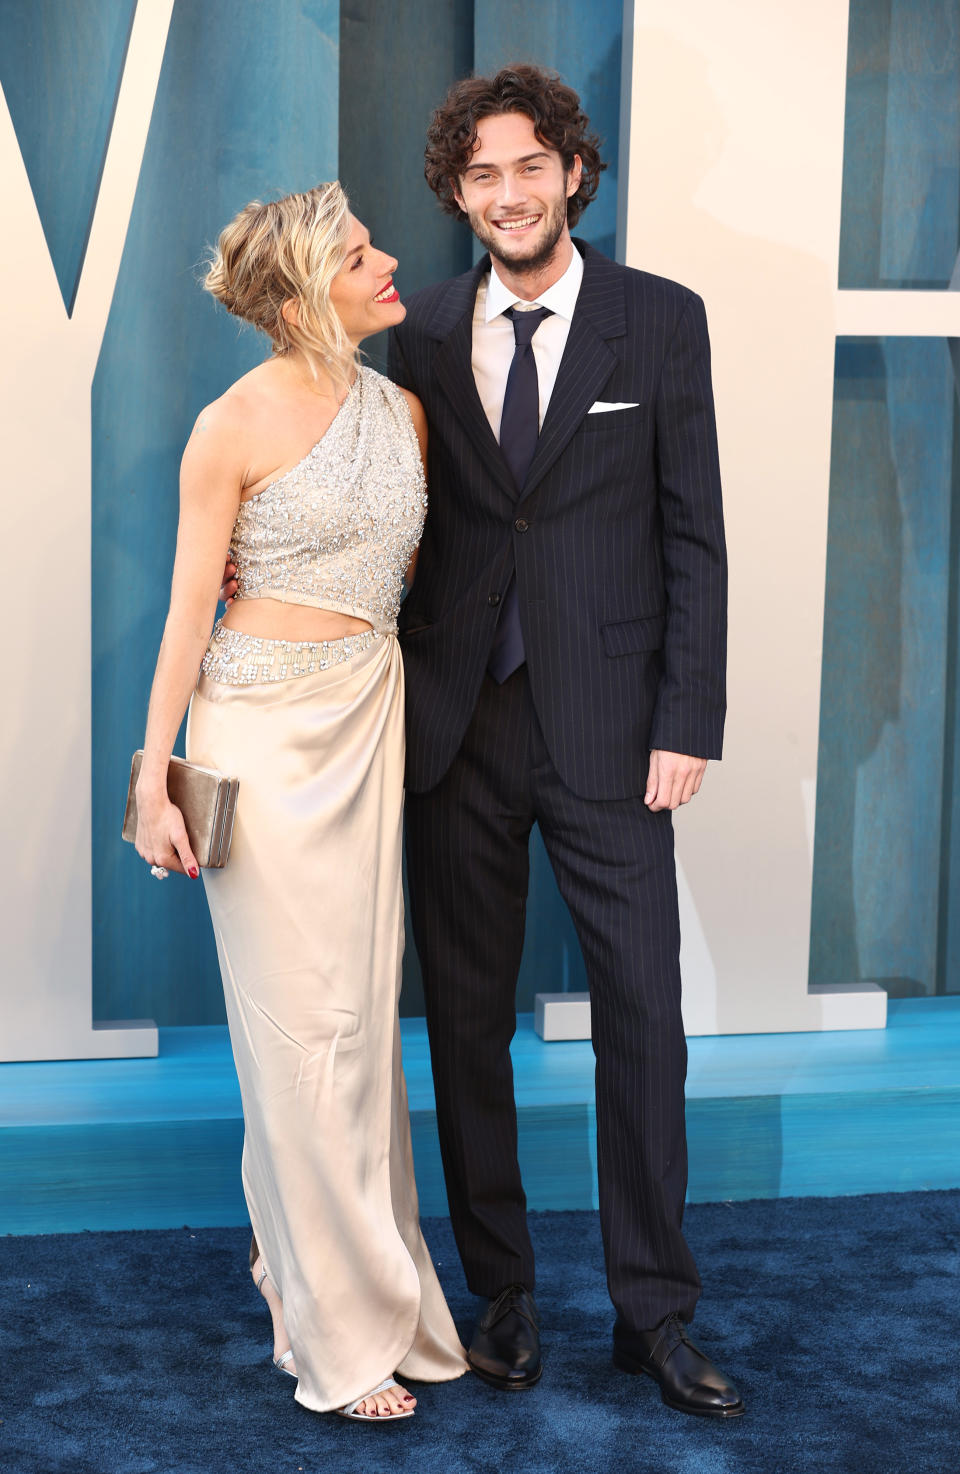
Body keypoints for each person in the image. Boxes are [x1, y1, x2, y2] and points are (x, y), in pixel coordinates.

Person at [387, 66, 742, 1417]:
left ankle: (654, 1313)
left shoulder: (659, 324)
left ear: (573, 174)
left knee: (644, 1017)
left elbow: (695, 534)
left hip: (612, 731)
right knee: (467, 1025)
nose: (507, 194)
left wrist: (686, 718)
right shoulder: (416, 332)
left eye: (527, 167)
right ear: (460, 194)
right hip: (458, 727)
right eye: (480, 176)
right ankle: (507, 1297)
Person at [134, 183, 467, 1421]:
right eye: (362, 254)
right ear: (295, 292)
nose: (391, 265)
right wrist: (152, 769)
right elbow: (186, 607)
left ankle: (338, 1278)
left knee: (361, 1035)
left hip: (366, 727)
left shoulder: (408, 414)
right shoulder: (229, 424)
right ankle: (334, 1328)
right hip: (258, 740)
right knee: (298, 1036)